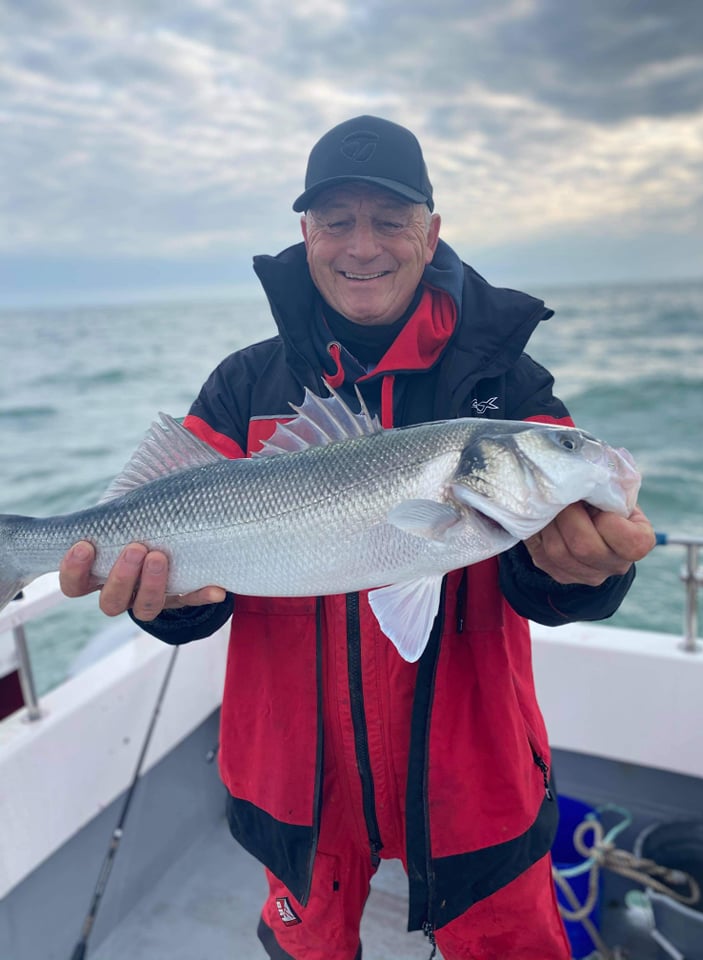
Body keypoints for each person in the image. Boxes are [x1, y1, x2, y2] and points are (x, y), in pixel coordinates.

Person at [59, 116, 655, 960]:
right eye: (336, 221)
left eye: (390, 219)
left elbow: (549, 578)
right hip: (296, 783)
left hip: (476, 777)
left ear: (432, 230)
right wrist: (167, 606)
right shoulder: (242, 386)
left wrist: (586, 576)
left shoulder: (506, 386)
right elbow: (203, 592)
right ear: (305, 235)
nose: (362, 246)